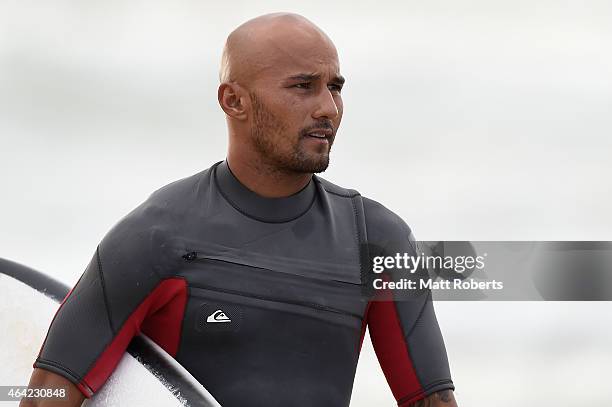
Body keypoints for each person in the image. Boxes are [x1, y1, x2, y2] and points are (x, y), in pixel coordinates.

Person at [22, 13, 457, 407]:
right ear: (234, 101)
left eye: (335, 87)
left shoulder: (376, 240)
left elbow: (432, 401)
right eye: (303, 86)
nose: (328, 107)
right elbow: (45, 396)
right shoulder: (158, 236)